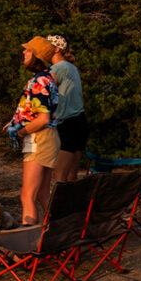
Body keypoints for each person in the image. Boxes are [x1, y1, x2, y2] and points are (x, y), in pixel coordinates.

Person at [5, 37, 60, 226]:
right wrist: (17, 120)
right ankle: (59, 234)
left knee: (27, 196)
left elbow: (43, 119)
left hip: (39, 139)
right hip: (49, 139)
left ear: (36, 56)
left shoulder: (39, 81)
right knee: (44, 195)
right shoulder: (47, 78)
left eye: (28, 50)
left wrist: (20, 132)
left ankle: (30, 247)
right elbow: (38, 112)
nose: (23, 53)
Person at [46, 35, 87, 183]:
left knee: (59, 175)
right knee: (71, 176)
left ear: (57, 49)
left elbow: (43, 91)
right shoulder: (72, 67)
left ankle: (60, 206)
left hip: (67, 124)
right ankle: (74, 205)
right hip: (79, 121)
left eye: (48, 45)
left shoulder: (57, 68)